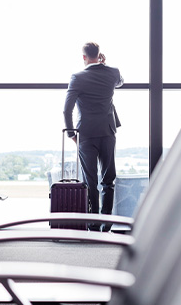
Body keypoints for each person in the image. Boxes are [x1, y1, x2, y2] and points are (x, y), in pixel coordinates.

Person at [63, 41, 123, 231]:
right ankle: (107, 224)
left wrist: (72, 134)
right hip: (107, 131)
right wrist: (105, 65)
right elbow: (121, 82)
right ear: (100, 55)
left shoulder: (77, 77)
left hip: (86, 134)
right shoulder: (112, 72)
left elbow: (67, 110)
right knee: (108, 180)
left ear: (84, 57)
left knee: (90, 181)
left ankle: (93, 225)